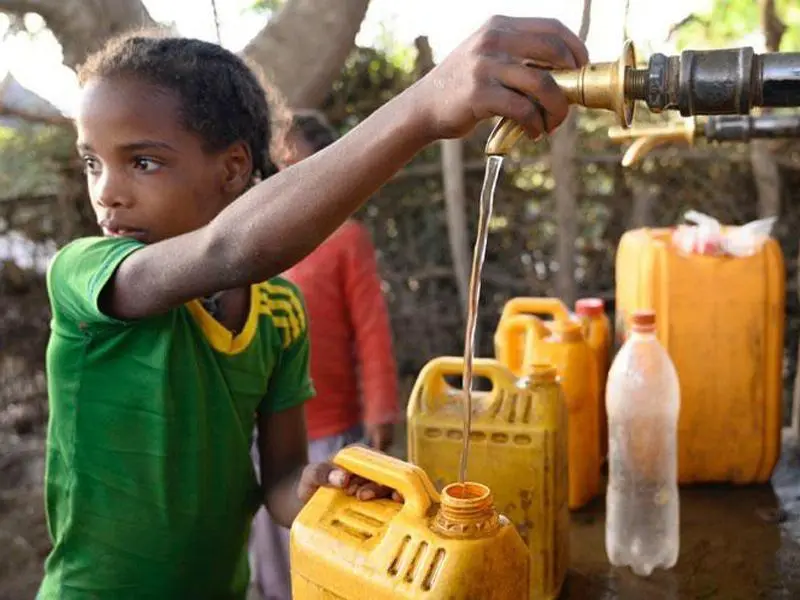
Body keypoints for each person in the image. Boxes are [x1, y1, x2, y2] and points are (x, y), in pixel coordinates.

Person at [39, 16, 589, 600]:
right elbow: (227, 250)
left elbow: (278, 483)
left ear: (232, 169)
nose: (106, 192)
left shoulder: (279, 313)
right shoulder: (86, 278)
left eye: (142, 162)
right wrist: (426, 105)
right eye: (92, 162)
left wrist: (323, 488)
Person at [248, 111, 399, 600]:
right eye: (281, 169)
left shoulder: (347, 238)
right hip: (266, 432)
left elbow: (371, 327)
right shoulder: (255, 242)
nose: (289, 182)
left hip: (331, 429)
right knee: (273, 552)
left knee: (327, 546)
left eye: (303, 170)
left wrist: (381, 408)